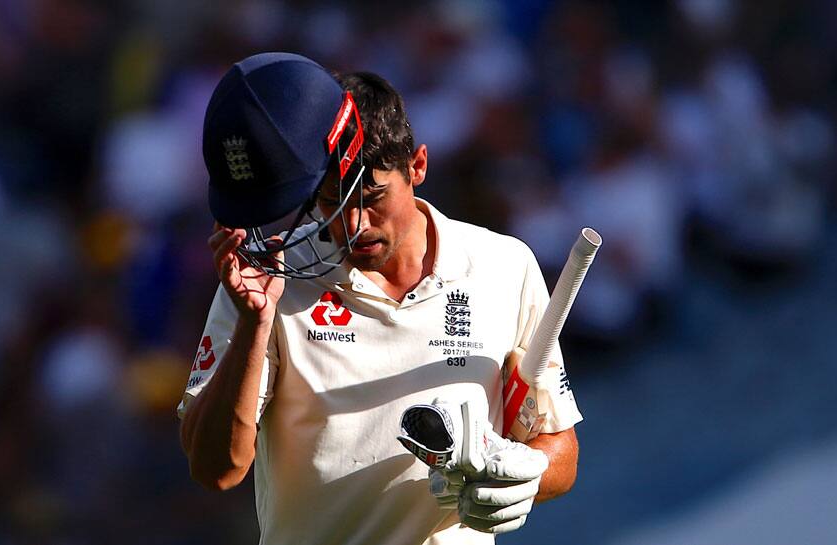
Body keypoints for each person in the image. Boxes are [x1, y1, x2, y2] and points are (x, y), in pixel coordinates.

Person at [178, 52, 581, 545]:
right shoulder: (263, 280)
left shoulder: (504, 266)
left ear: (418, 166)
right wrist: (253, 326)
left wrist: (524, 475)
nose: (355, 227)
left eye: (371, 198)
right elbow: (215, 469)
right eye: (332, 204)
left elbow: (559, 443)